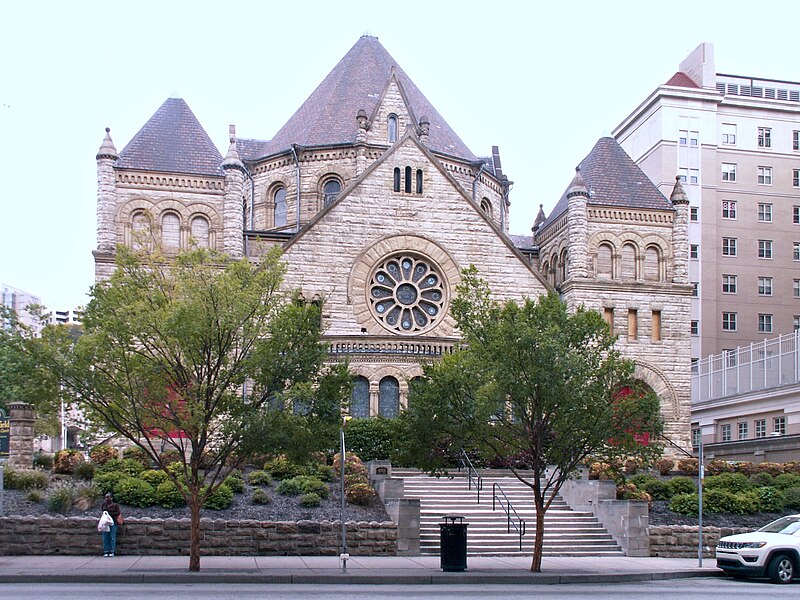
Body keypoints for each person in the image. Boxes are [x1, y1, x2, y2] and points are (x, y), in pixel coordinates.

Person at [100, 492, 122, 557]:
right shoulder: (104, 504)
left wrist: (109, 513)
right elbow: (102, 511)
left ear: (111, 498)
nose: (106, 499)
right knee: (105, 537)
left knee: (112, 536)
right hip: (105, 522)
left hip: (113, 522)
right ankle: (106, 551)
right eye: (105, 497)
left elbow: (118, 513)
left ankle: (112, 551)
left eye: (108, 497)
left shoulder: (115, 505)